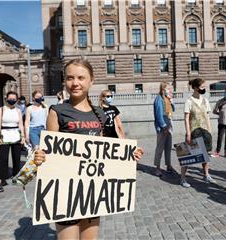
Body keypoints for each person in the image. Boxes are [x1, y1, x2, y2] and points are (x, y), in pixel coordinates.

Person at [33, 59, 144, 240]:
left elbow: (104, 150)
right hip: (65, 192)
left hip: (92, 191)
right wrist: (39, 158)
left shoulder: (99, 113)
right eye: (69, 78)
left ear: (91, 80)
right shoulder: (57, 111)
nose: (75, 83)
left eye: (81, 78)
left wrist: (127, 155)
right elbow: (49, 152)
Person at [180, 78, 216, 188]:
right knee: (187, 156)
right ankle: (182, 178)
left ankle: (206, 174)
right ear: (195, 87)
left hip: (205, 131)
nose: (203, 89)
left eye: (204, 87)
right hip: (194, 131)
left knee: (206, 155)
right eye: (201, 87)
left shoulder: (205, 101)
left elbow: (208, 117)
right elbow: (186, 118)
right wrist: (188, 133)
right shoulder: (189, 101)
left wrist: (210, 131)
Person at [0, 91, 25, 193]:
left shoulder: (18, 110)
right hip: (5, 135)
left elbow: (21, 124)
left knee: (16, 158)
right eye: (10, 98)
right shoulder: (1, 109)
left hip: (16, 135)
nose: (12, 100)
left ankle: (16, 177)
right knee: (3, 159)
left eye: (14, 99)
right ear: (6, 98)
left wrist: (23, 136)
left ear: (16, 100)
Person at [153, 81, 176, 177]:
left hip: (169, 123)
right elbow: (158, 115)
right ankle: (157, 168)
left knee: (168, 146)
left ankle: (168, 165)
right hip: (162, 125)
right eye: (168, 89)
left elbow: (172, 110)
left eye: (171, 89)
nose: (170, 90)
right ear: (163, 89)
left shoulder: (168, 98)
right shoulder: (159, 99)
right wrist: (164, 126)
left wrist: (172, 102)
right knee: (160, 147)